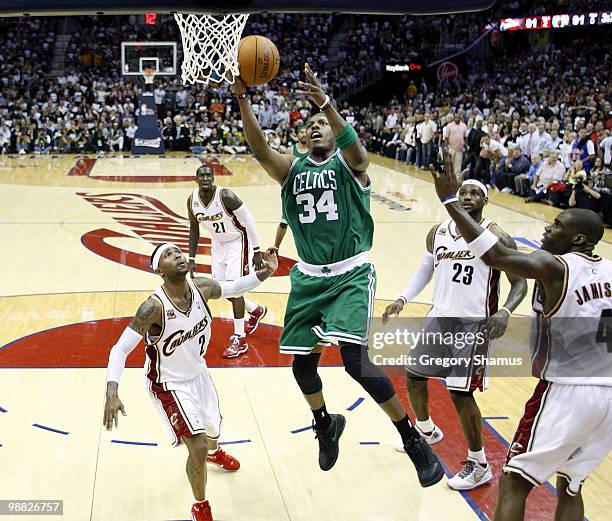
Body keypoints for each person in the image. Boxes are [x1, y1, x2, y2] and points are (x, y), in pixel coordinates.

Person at [232, 63, 443, 486]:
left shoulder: (351, 167)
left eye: (321, 125)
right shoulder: (292, 171)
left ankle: (412, 437)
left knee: (354, 361)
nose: (315, 129)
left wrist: (326, 105)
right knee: (302, 369)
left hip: (349, 273)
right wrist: (242, 99)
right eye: (309, 125)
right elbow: (259, 151)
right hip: (309, 277)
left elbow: (361, 155)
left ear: (333, 131)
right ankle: (325, 424)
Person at [431, 152, 612, 521]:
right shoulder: (609, 270)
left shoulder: (555, 265)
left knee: (514, 480)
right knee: (571, 484)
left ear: (578, 238)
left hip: (566, 390)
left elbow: (495, 256)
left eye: (557, 225)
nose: (548, 228)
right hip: (607, 395)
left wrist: (451, 203)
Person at [103, 243, 278, 521]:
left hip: (199, 375)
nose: (178, 256)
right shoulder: (153, 307)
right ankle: (201, 507)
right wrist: (112, 391)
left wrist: (265, 273)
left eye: (178, 252)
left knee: (213, 429)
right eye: (169, 255)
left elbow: (234, 287)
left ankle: (215, 452)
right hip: (168, 383)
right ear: (159, 270)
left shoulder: (202, 288)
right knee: (196, 445)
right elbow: (119, 349)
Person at [383, 179, 527, 490]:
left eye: (475, 193)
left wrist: (505, 312)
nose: (468, 197)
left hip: (475, 323)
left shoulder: (497, 235)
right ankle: (426, 430)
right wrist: (402, 299)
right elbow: (425, 269)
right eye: (463, 192)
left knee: (460, 393)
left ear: (485, 201)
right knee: (414, 375)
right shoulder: (437, 233)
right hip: (439, 317)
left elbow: (519, 283)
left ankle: (479, 464)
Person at [187, 165, 268, 358]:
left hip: (238, 241)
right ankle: (255, 310)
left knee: (235, 287)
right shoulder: (192, 201)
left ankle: (239, 338)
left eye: (208, 175)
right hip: (218, 243)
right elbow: (194, 230)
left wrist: (257, 250)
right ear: (196, 179)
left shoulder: (226, 196)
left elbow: (249, 222)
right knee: (222, 290)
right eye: (201, 175)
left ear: (213, 178)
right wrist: (191, 258)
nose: (205, 178)